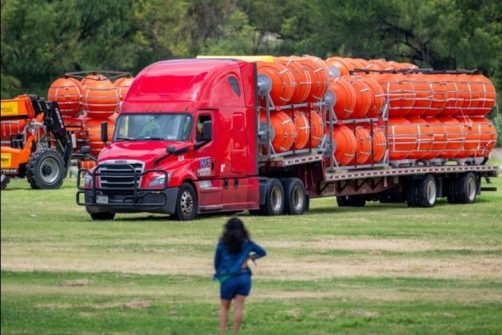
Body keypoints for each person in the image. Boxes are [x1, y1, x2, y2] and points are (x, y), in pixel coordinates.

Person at [214, 217, 267, 335]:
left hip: (228, 277)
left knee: (224, 308)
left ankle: (223, 333)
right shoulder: (246, 243)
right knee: (238, 307)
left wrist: (220, 274)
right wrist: (250, 257)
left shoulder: (222, 244)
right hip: (244, 277)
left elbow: (217, 263)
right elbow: (262, 252)